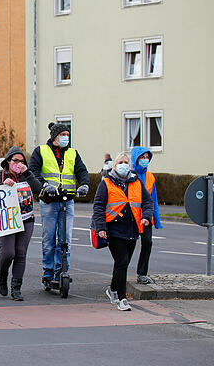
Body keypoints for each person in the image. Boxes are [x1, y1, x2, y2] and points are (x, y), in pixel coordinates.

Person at [29, 122, 90, 285]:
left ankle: (62, 269)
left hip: (67, 199)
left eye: (67, 135)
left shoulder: (72, 153)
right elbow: (33, 171)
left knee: (66, 238)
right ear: (55, 136)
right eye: (63, 135)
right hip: (49, 200)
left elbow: (81, 171)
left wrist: (84, 184)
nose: (66, 138)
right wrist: (44, 185)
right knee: (49, 237)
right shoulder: (41, 151)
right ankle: (48, 271)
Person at [92, 152, 152, 311]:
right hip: (114, 230)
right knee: (122, 261)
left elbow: (147, 202)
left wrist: (146, 216)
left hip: (132, 229)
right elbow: (98, 206)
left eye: (126, 162)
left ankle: (112, 289)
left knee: (122, 264)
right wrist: (101, 227)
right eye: (120, 162)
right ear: (115, 165)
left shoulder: (136, 182)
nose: (124, 165)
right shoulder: (106, 183)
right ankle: (122, 298)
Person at [0, 147, 42, 300]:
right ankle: (2, 275)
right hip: (6, 220)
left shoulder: (27, 175)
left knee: (20, 252)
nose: (18, 164)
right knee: (8, 253)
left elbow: (38, 189)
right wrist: (3, 186)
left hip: (26, 219)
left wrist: (27, 173)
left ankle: (16, 287)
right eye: (15, 161)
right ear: (8, 161)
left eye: (21, 161)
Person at [131, 146, 162, 285]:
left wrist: (156, 219)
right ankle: (120, 272)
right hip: (131, 215)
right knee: (127, 245)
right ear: (135, 159)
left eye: (146, 157)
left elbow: (153, 199)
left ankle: (142, 273)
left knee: (148, 242)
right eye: (142, 157)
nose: (145, 160)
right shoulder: (130, 174)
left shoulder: (150, 177)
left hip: (146, 216)